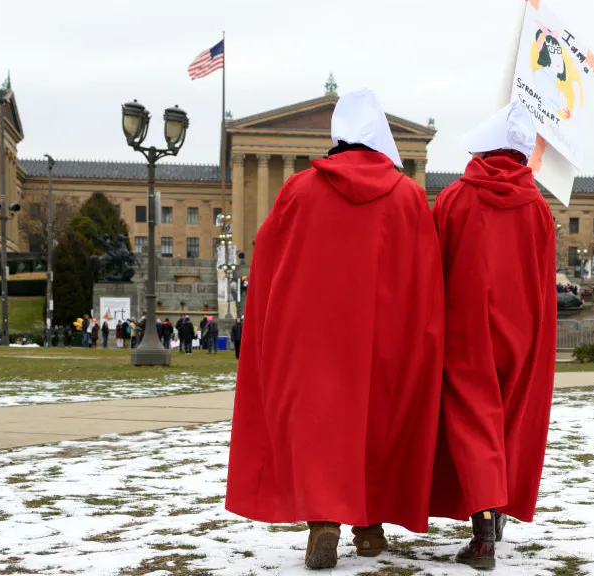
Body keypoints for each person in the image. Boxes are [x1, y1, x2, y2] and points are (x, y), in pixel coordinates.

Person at [226, 89, 443, 571]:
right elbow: (425, 275)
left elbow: (267, 256)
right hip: (384, 338)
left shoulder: (300, 189)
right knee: (379, 422)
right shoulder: (408, 195)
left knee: (323, 427)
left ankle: (323, 523)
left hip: (315, 340)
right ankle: (369, 529)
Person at [428, 101, 555, 570]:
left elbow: (434, 268)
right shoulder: (538, 208)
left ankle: (483, 537)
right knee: (505, 422)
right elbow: (543, 282)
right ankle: (495, 508)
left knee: (473, 421)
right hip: (521, 332)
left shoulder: (456, 198)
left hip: (466, 329)